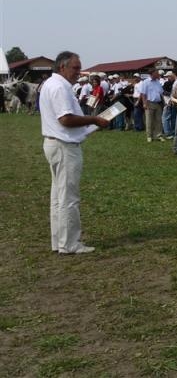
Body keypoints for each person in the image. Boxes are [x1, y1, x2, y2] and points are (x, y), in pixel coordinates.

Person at [40, 51, 109, 254]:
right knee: (68, 197)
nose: (79, 72)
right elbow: (66, 120)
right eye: (75, 68)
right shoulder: (60, 87)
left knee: (58, 196)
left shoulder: (52, 85)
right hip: (63, 147)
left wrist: (92, 125)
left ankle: (59, 241)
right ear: (62, 67)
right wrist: (94, 120)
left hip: (55, 143)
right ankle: (69, 243)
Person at [139, 68, 165, 142]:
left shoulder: (158, 82)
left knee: (158, 120)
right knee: (149, 120)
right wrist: (144, 103)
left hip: (158, 103)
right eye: (157, 73)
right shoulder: (146, 82)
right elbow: (143, 94)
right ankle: (149, 136)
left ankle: (159, 135)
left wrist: (165, 101)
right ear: (152, 73)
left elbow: (161, 93)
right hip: (149, 103)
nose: (158, 74)